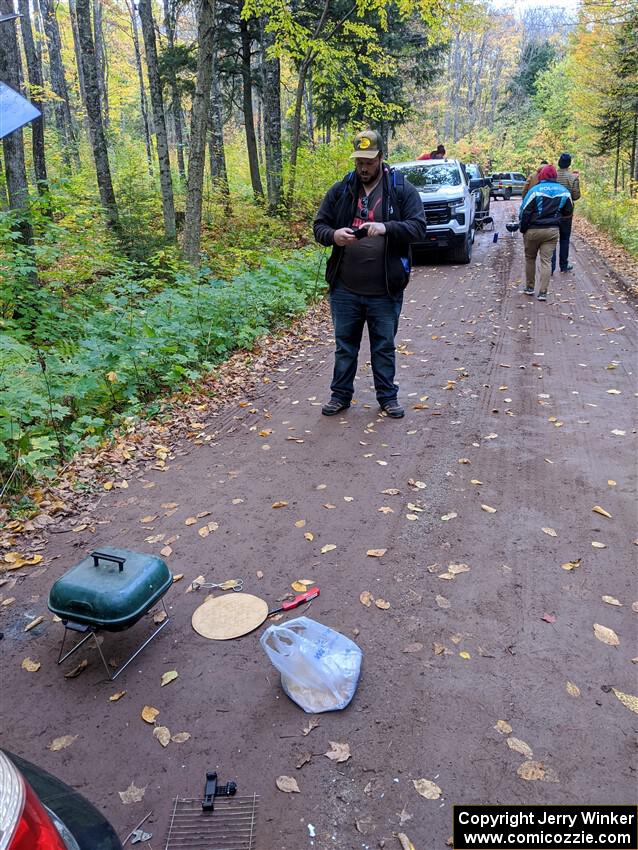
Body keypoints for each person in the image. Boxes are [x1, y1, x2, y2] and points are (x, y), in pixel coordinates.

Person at [313, 129, 427, 418]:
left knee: (384, 346)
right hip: (344, 287)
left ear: (380, 157)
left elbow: (418, 227)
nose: (363, 168)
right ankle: (340, 396)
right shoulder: (341, 190)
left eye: (368, 162)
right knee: (344, 346)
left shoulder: (401, 190)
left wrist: (386, 227)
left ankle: (387, 398)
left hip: (385, 288)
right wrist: (334, 235)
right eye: (359, 162)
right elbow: (319, 226)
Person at [519, 164, 573, 301]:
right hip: (552, 231)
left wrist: (523, 229)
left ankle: (530, 287)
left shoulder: (535, 190)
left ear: (541, 175)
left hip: (533, 230)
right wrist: (557, 220)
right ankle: (543, 292)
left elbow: (525, 211)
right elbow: (568, 212)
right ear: (554, 175)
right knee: (546, 261)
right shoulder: (564, 191)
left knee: (530, 258)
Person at [551, 152, 581, 274]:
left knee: (552, 239)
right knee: (564, 239)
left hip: (552, 212)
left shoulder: (552, 176)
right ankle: (563, 265)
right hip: (567, 214)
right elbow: (576, 196)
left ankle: (551, 267)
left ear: (559, 162)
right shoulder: (573, 178)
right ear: (569, 164)